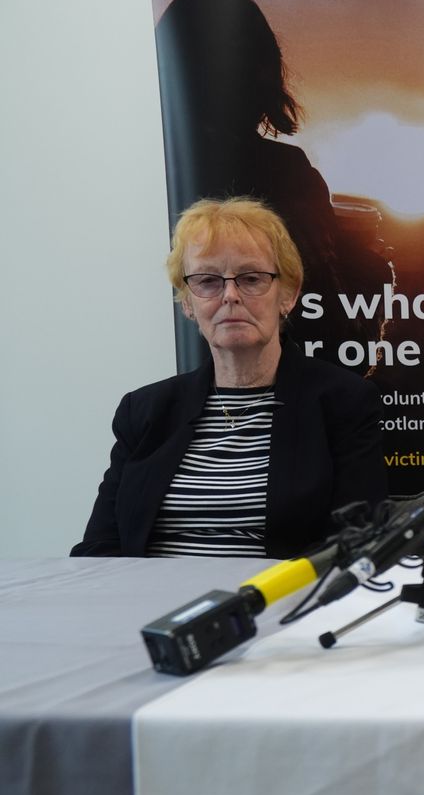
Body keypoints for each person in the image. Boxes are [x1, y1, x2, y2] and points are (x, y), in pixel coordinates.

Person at [72, 198, 386, 558]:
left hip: (277, 608)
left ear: (288, 293)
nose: (230, 296)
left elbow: (357, 546)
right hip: (153, 609)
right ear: (188, 302)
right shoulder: (144, 411)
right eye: (207, 281)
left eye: (251, 278)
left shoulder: (344, 402)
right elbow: (99, 548)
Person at [154, 0, 388, 371]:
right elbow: (337, 335)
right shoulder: (282, 173)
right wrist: (367, 264)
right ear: (262, 72)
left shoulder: (137, 172)